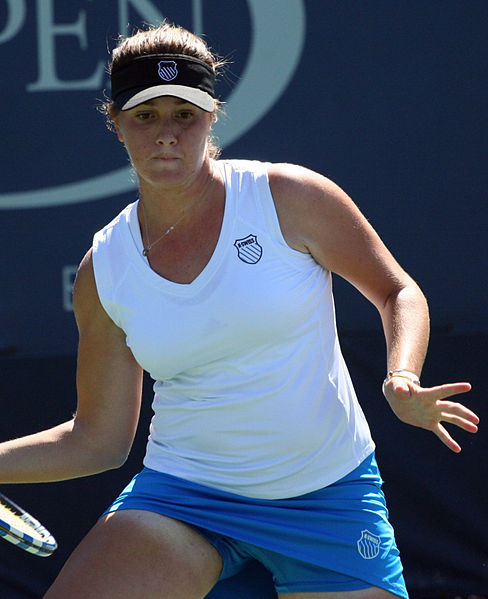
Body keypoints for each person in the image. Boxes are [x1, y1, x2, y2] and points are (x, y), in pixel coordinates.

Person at [0, 22, 479, 599]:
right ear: (117, 123)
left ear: (212, 117)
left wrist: (402, 375)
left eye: (185, 114)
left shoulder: (291, 198)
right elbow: (97, 440)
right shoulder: (103, 269)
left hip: (327, 496)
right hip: (184, 498)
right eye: (145, 117)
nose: (167, 135)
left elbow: (397, 292)